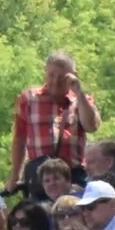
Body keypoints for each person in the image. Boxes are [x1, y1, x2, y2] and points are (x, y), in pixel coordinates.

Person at [10, 56, 101, 194]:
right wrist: (15, 176)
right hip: (40, 176)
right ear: (45, 72)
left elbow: (92, 127)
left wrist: (79, 92)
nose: (55, 81)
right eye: (51, 75)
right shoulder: (29, 99)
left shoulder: (82, 100)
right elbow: (20, 138)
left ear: (73, 76)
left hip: (72, 175)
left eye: (62, 77)